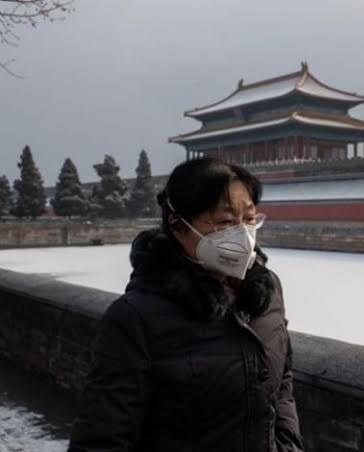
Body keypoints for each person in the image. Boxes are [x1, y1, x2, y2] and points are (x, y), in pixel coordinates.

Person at [68, 158, 304, 452]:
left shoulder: (265, 294)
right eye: (225, 222)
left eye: (249, 219)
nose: (243, 235)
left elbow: (282, 383)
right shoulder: (136, 318)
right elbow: (101, 439)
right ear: (178, 226)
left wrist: (288, 444)